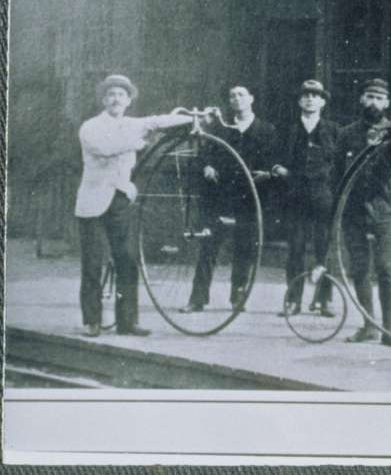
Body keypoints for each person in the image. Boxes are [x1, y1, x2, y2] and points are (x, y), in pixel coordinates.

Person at [75, 74, 193, 337]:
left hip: (120, 199)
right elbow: (107, 149)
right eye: (111, 95)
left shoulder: (133, 123)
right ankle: (92, 321)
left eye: (121, 95)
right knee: (93, 263)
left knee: (127, 260)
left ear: (128, 101)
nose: (116, 99)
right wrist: (140, 142)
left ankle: (127, 322)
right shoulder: (90, 127)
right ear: (104, 100)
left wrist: (193, 119)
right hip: (92, 203)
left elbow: (159, 120)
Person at [334, 78, 391, 346]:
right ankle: (368, 325)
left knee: (386, 267)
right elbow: (337, 172)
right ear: (362, 99)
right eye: (369, 96)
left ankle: (389, 328)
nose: (373, 102)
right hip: (353, 211)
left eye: (379, 98)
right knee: (359, 268)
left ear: (387, 103)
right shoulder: (346, 133)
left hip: (384, 209)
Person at [181, 85, 277, 313]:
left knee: (244, 247)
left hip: (249, 196)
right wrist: (207, 166)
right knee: (209, 245)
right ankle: (198, 298)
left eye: (241, 94)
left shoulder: (266, 130)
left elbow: (272, 161)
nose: (236, 99)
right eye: (232, 96)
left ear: (251, 98)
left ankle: (238, 297)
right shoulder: (220, 128)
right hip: (219, 194)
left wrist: (267, 173)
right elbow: (204, 154)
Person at [271, 80, 340, 317]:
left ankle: (324, 300)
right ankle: (293, 301)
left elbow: (339, 163)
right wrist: (279, 169)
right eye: (306, 95)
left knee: (324, 248)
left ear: (323, 101)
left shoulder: (333, 130)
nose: (310, 98)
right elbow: (275, 158)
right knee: (296, 249)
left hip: (323, 197)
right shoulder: (287, 129)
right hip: (295, 196)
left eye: (315, 95)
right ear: (300, 100)